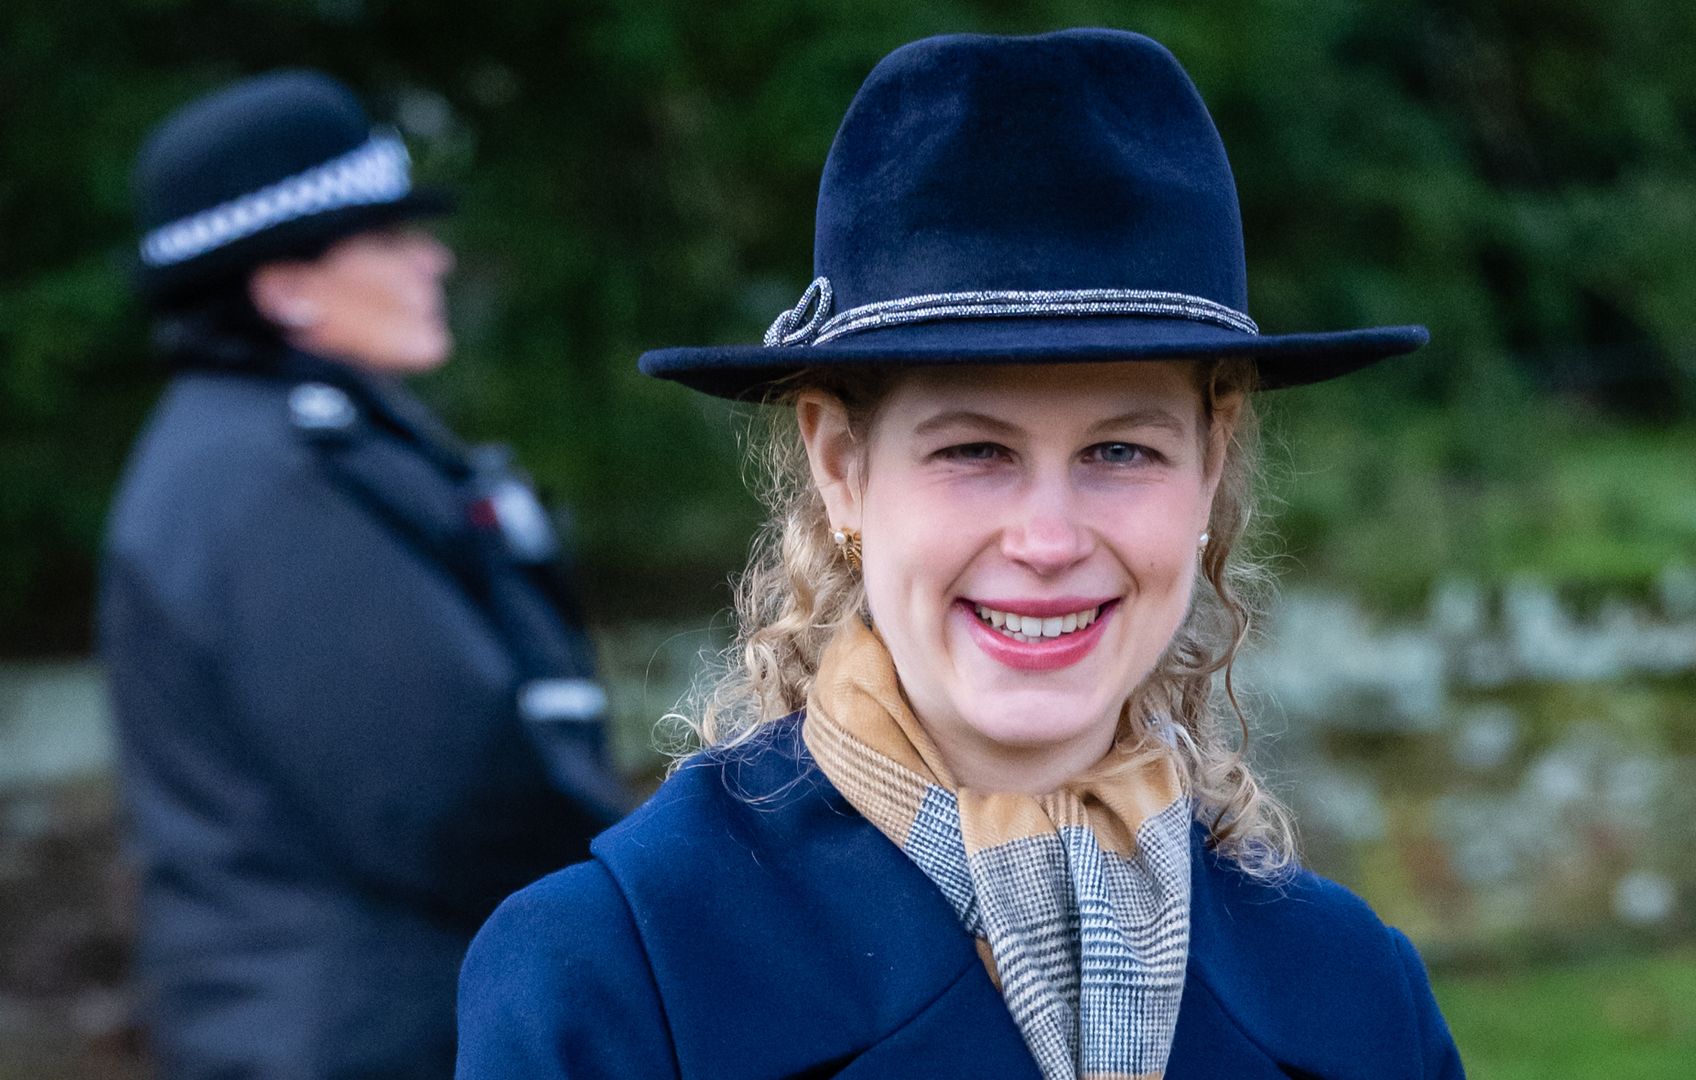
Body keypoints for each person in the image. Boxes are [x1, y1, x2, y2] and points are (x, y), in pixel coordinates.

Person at [457, 28, 1462, 1079]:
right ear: (842, 465)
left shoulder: (1354, 991)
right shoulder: (612, 977)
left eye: (1121, 450)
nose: (1047, 540)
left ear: (1211, 464)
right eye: (974, 450)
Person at [99, 71, 628, 1078]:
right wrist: (666, 900)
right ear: (286, 286)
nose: (432, 259)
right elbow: (444, 792)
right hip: (360, 1042)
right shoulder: (261, 484)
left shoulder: (280, 450)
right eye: (386, 239)